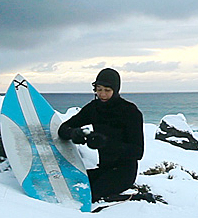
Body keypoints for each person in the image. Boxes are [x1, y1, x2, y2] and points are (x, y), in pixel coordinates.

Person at [58, 68, 144, 202]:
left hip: (124, 173)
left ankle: (133, 197)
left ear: (115, 90)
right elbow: (63, 129)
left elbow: (137, 152)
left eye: (107, 90)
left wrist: (105, 143)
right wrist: (74, 133)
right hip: (104, 168)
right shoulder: (94, 108)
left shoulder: (130, 112)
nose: (102, 94)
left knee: (87, 195)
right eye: (99, 89)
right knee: (70, 184)